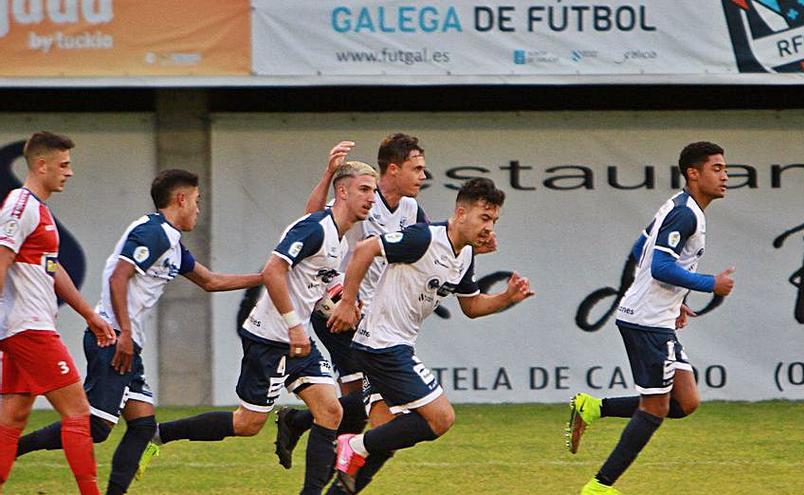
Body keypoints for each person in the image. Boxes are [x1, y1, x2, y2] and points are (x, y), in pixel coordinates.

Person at [14, 168, 262, 494]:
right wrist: (126, 334)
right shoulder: (153, 232)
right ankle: (12, 449)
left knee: (143, 425)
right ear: (181, 199)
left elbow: (211, 281)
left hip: (127, 341)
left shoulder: (172, 244)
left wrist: (266, 278)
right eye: (197, 202)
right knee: (98, 425)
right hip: (114, 338)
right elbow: (119, 276)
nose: (198, 210)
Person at [140, 162, 379, 495]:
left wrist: (343, 301)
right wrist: (295, 326)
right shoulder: (316, 228)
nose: (372, 197)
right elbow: (273, 271)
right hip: (270, 339)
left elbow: (321, 279)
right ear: (342, 192)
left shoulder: (338, 238)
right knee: (247, 424)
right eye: (365, 189)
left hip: (296, 341)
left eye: (374, 190)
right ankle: (158, 434)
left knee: (330, 410)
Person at [330, 177, 534, 494]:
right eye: (484, 217)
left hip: (383, 345)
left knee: (386, 439)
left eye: (493, 220)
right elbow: (365, 248)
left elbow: (472, 306)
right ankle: (352, 445)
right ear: (461, 212)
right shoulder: (424, 238)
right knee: (441, 418)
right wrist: (346, 302)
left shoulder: (464, 255)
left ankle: (342, 484)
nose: (489, 227)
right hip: (384, 344)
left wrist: (506, 298)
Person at [566, 142, 735, 495]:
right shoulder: (684, 213)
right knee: (656, 407)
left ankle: (593, 407)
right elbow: (659, 266)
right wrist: (710, 284)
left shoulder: (680, 207)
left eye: (724, 168)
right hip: (646, 322)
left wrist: (676, 300)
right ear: (693, 173)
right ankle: (600, 487)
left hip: (655, 317)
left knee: (684, 402)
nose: (725, 175)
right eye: (717, 168)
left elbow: (638, 250)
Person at [274, 134, 430, 474]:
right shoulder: (363, 198)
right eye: (416, 168)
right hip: (339, 310)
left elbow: (430, 247)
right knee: (372, 404)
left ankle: (304, 427)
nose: (423, 175)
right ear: (393, 169)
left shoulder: (411, 209)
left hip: (372, 319)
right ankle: (333, 465)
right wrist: (329, 174)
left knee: (359, 404)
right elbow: (312, 217)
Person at [0, 131, 116, 494]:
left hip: (28, 328)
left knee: (13, 418)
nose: (70, 172)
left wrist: (89, 314)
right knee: (79, 414)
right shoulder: (20, 207)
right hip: (28, 329)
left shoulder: (39, 209)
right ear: (41, 165)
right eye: (64, 165)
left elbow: (53, 270)